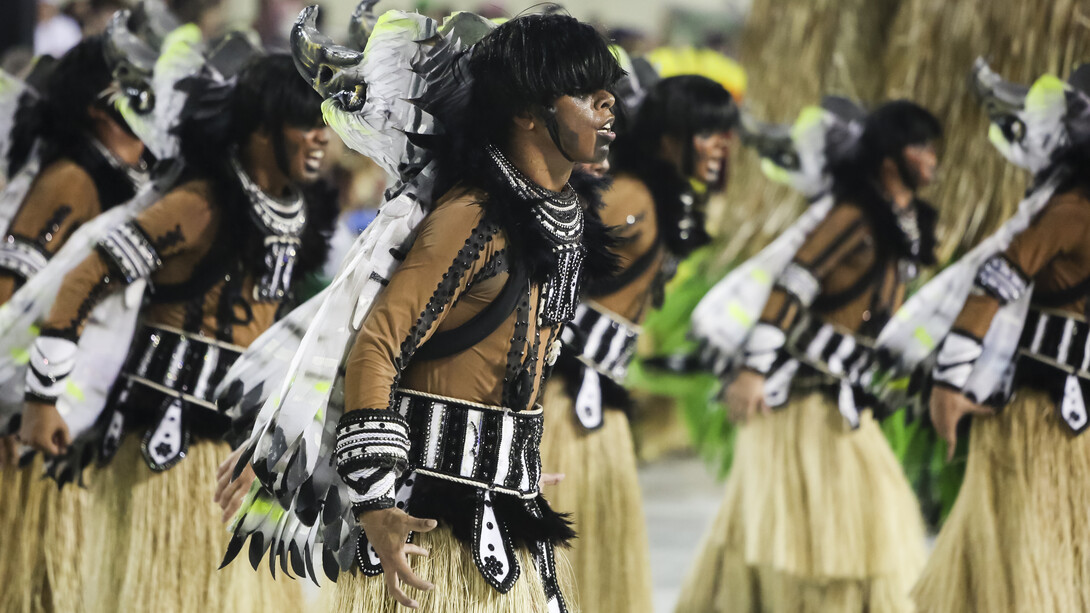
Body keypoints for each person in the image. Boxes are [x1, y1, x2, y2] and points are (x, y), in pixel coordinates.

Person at [216, 9, 622, 612]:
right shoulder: (474, 215)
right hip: (431, 531)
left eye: (607, 92)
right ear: (526, 112)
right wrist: (378, 502)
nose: (608, 106)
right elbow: (377, 346)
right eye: (587, 94)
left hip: (505, 510)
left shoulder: (560, 217)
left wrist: (507, 459)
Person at [15, 53, 335, 612]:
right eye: (306, 123)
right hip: (165, 448)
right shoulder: (200, 204)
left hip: (240, 450)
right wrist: (42, 399)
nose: (320, 138)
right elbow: (85, 280)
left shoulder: (296, 215)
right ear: (261, 130)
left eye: (325, 124)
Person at [678, 100, 941, 613]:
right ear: (889, 159)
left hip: (842, 400)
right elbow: (790, 286)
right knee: (818, 537)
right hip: (800, 399)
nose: (933, 159)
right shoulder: (852, 215)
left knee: (862, 521)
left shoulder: (901, 220)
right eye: (920, 147)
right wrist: (753, 370)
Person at [540, 74, 736, 613]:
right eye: (709, 132)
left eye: (727, 134)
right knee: (565, 571)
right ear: (671, 136)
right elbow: (544, 276)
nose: (724, 146)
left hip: (596, 403)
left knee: (593, 571)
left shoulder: (653, 198)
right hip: (564, 403)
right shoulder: (631, 198)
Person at [912, 61, 1090, 613]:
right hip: (1039, 416)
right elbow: (994, 283)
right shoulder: (1072, 212)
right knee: (1022, 566)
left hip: (1072, 422)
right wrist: (949, 382)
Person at [0, 36, 152, 613]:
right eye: (137, 89)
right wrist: (19, 408)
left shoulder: (117, 180)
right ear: (97, 104)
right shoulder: (73, 178)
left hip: (57, 426)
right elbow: (7, 292)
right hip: (26, 426)